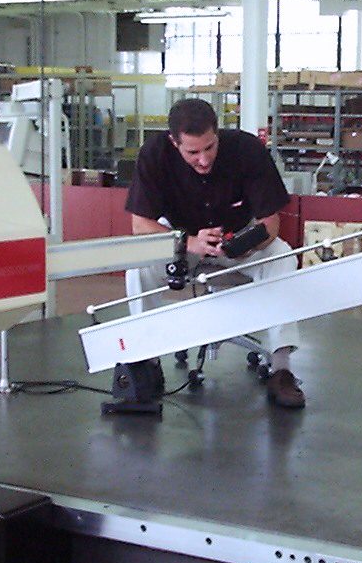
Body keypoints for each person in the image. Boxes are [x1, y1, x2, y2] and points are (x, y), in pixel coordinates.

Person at [124, 98, 306, 409]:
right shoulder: (154, 154)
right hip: (182, 239)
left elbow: (270, 223)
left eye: (210, 147)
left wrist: (246, 244)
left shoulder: (247, 150)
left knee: (283, 257)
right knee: (139, 267)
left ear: (217, 133)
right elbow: (140, 226)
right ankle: (145, 362)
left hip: (237, 237)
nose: (204, 159)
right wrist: (187, 242)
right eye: (192, 152)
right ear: (173, 142)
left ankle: (282, 369)